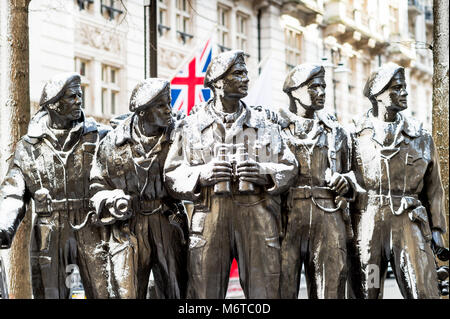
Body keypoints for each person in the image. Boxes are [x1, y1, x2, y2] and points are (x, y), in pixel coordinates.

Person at [164, 50, 297, 299]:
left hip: (257, 217)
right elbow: (172, 174)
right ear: (218, 82)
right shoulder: (191, 126)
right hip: (210, 217)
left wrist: (264, 172)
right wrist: (203, 174)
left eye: (246, 73)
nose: (246, 78)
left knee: (265, 293)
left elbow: (290, 166)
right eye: (238, 73)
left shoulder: (264, 123)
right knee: (205, 294)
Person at [0, 73, 110, 298]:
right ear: (53, 104)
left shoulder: (97, 136)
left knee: (104, 290)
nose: (79, 101)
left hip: (90, 225)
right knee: (50, 293)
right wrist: (3, 226)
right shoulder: (29, 146)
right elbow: (13, 191)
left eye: (80, 95)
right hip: (48, 229)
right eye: (72, 97)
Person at [347, 62, 447, 299]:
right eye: (397, 88)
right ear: (378, 94)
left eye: (404, 88)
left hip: (409, 225)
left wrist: (437, 230)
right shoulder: (353, 135)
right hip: (368, 226)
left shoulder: (421, 136)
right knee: (366, 290)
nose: (404, 93)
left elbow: (434, 189)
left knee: (422, 289)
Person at [89, 78, 188, 298]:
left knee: (176, 289)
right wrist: (111, 200)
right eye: (161, 105)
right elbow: (96, 186)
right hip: (129, 225)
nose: (168, 110)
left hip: (168, 221)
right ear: (142, 112)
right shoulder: (112, 143)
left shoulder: (179, 136)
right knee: (128, 291)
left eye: (169, 103)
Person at [278, 63, 357, 299]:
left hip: (328, 215)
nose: (322, 92)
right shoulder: (275, 129)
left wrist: (347, 183)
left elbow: (354, 173)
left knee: (331, 288)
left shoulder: (337, 132)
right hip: (286, 216)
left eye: (323, 87)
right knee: (282, 287)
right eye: (314, 87)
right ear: (294, 92)